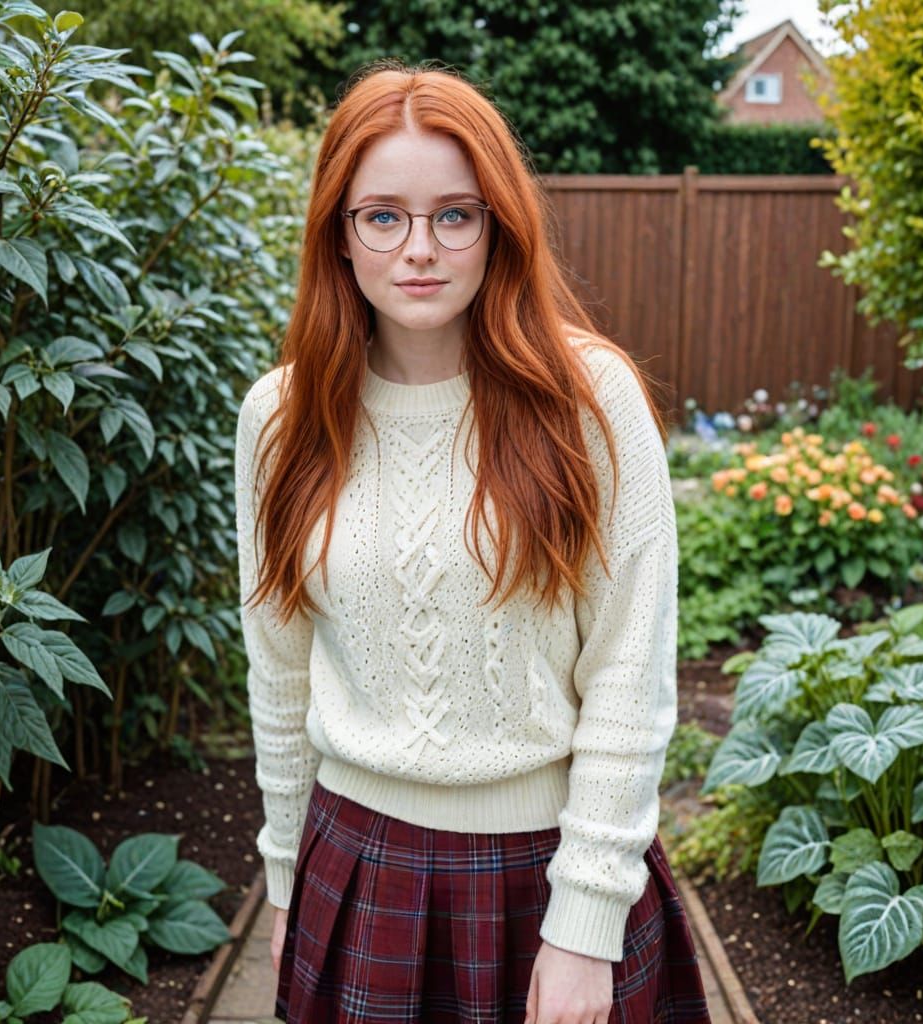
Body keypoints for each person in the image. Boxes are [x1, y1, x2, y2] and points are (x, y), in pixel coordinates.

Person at [234, 59, 710, 1024]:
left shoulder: (589, 402)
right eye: (384, 216)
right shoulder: (280, 418)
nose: (421, 248)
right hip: (357, 871)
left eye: (456, 214)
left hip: (549, 870)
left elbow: (630, 672)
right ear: (339, 232)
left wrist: (584, 924)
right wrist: (284, 882)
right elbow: (278, 677)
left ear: (499, 225)